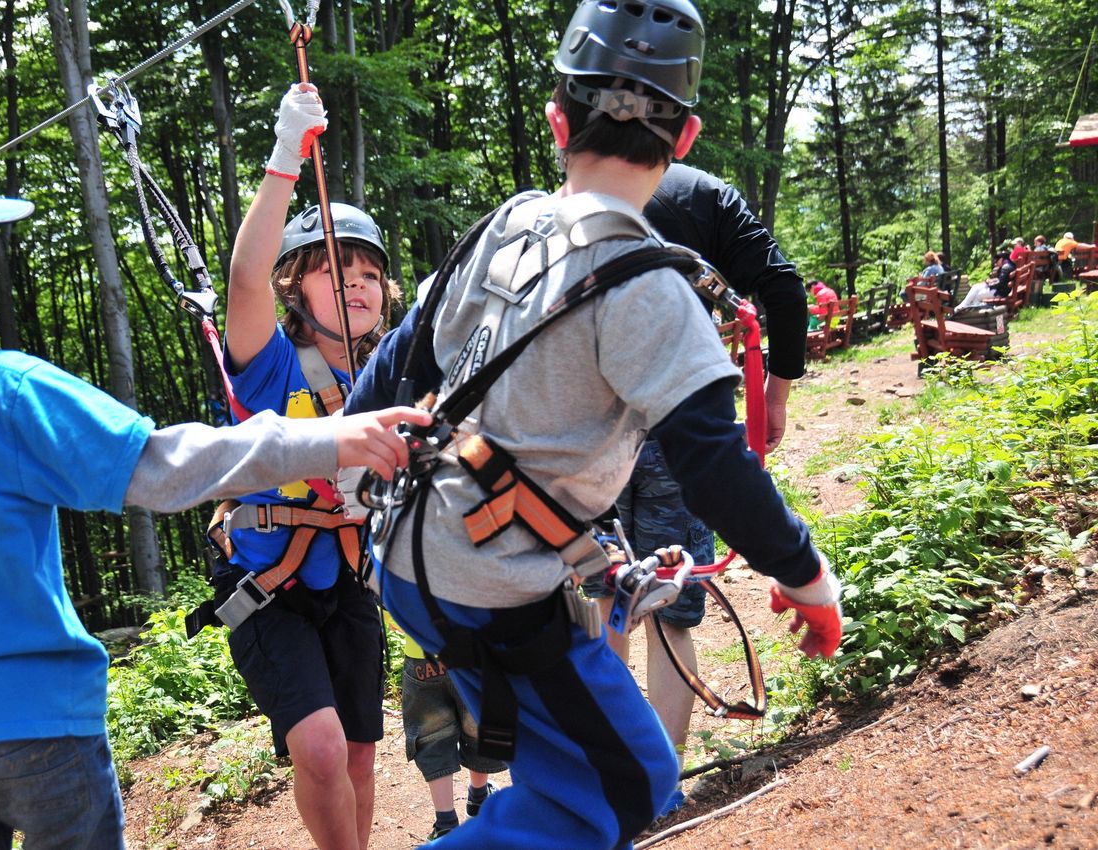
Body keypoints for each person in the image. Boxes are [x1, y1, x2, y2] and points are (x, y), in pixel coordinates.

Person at [0, 128, 429, 848]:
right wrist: (330, 441)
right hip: (38, 716)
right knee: (324, 749)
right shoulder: (3, 390)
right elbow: (157, 466)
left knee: (354, 750)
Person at [344, 1, 843, 846]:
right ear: (685, 139)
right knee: (624, 785)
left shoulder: (503, 226)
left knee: (580, 780)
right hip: (487, 582)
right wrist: (808, 579)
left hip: (408, 554)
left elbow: (402, 359)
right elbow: (714, 466)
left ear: (556, 122)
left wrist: (340, 459)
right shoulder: (651, 288)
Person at [210, 82, 401, 850]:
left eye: (368, 274)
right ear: (295, 287)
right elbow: (244, 278)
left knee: (358, 754)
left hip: (348, 579)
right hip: (268, 587)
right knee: (319, 747)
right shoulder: (268, 364)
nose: (355, 283)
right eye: (332, 270)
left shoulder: (388, 372)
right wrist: (287, 156)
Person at [580, 161, 810, 782]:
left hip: (591, 425)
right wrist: (775, 398)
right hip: (681, 414)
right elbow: (784, 289)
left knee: (607, 594)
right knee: (669, 597)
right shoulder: (700, 192)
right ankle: (663, 782)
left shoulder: (572, 197)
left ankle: (609, 773)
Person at [399, 630, 505, 840]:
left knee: (433, 737)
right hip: (473, 652)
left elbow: (393, 614)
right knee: (478, 727)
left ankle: (445, 824)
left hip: (422, 656)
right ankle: (479, 798)